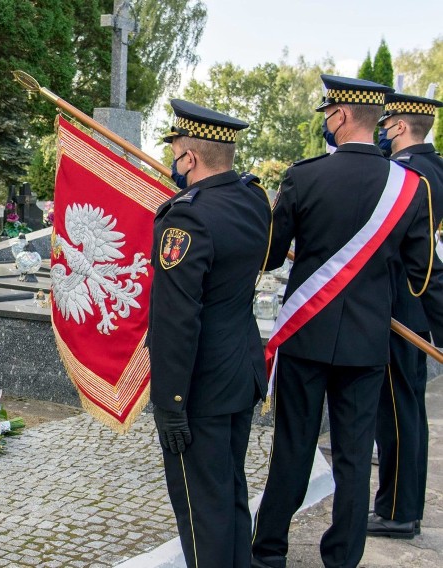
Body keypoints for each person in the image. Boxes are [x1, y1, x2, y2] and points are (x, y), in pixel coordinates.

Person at [251, 75, 443, 568]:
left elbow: (270, 256)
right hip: (366, 343)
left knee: (293, 446)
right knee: (356, 457)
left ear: (338, 116)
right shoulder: (410, 187)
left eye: (327, 115)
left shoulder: (304, 176)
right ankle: (341, 559)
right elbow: (421, 276)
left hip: (305, 334)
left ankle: (269, 550)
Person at [149, 99, 271, 567]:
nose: (173, 163)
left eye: (176, 152)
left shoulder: (185, 217)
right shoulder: (252, 199)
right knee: (230, 493)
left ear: (189, 158)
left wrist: (171, 403)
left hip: (200, 385)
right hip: (241, 372)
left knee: (204, 512)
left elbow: (178, 318)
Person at [368, 93, 443, 539]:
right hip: (416, 305)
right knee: (409, 408)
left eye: (386, 124)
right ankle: (405, 505)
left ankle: (397, 511)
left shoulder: (410, 174)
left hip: (400, 301)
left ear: (398, 127)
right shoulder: (436, 168)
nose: (381, 130)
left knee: (396, 412)